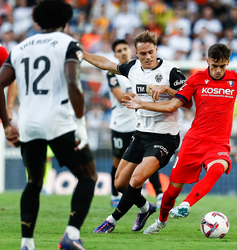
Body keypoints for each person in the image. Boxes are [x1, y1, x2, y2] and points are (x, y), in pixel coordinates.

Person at [122, 43, 237, 234]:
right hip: (193, 141)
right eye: (214, 65)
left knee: (219, 167)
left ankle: (187, 204)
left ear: (228, 62)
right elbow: (172, 105)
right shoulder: (196, 79)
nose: (218, 70)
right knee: (171, 193)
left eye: (222, 66)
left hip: (218, 143)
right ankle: (161, 221)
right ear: (207, 61)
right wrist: (142, 103)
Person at [0, 1, 98, 249]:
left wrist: (7, 124)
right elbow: (73, 82)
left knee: (33, 182)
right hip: (59, 122)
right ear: (66, 22)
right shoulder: (68, 44)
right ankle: (71, 235)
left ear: (36, 22)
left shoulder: (19, 48)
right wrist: (80, 123)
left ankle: (26, 242)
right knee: (88, 177)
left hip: (28, 124)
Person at [83, 30, 188, 233]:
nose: (148, 57)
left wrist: (167, 90)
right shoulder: (132, 68)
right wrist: (82, 54)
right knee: (120, 183)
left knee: (137, 179)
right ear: (136, 54)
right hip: (141, 133)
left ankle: (111, 221)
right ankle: (145, 207)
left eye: (151, 52)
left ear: (156, 49)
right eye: (143, 54)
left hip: (165, 137)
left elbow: (187, 102)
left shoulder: (171, 71)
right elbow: (105, 63)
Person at [105, 39, 163, 208]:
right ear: (115, 55)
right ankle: (114, 194)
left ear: (131, 51)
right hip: (119, 125)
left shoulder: (140, 71)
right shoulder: (113, 73)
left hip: (139, 124)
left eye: (125, 49)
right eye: (118, 50)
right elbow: (120, 97)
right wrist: (143, 93)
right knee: (117, 162)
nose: (123, 52)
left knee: (148, 159)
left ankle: (159, 193)